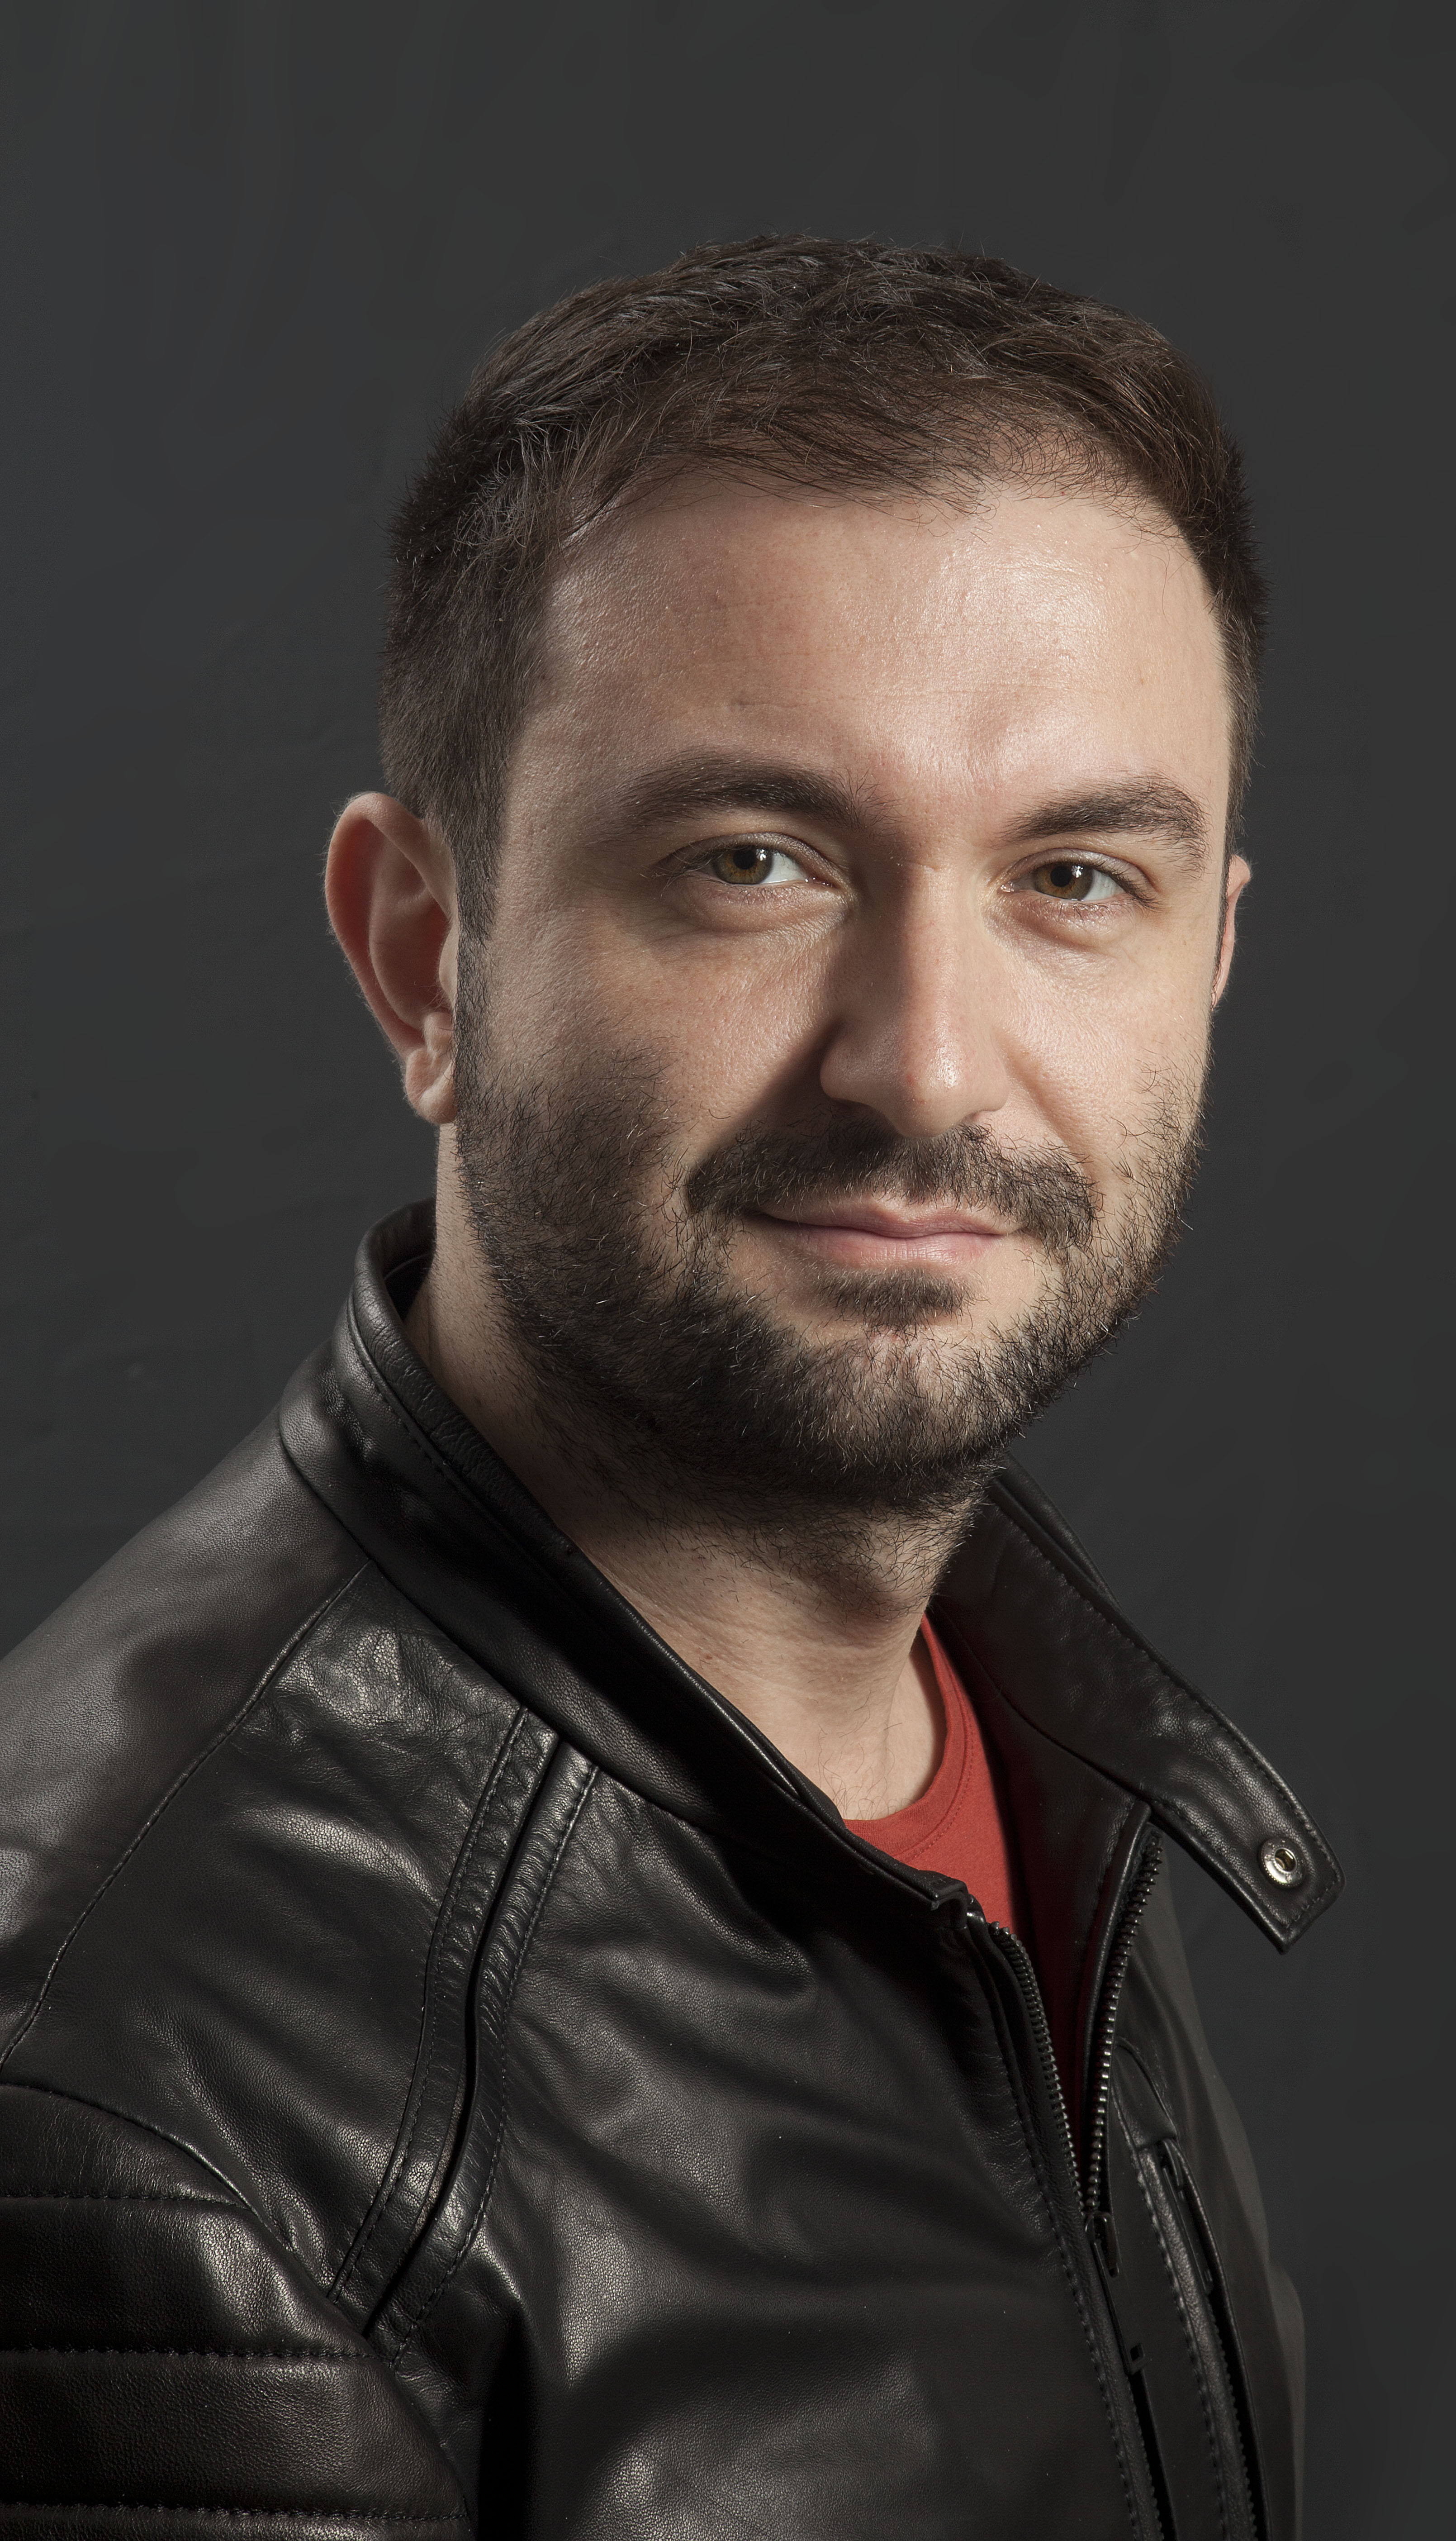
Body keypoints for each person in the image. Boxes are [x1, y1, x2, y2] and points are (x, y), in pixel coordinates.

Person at [0, 237, 1340, 2538]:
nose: (928, 1063)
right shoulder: (137, 2110)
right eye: (755, 863)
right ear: (426, 953)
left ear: (1211, 946)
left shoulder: (1009, 1744)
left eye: (1074, 876)